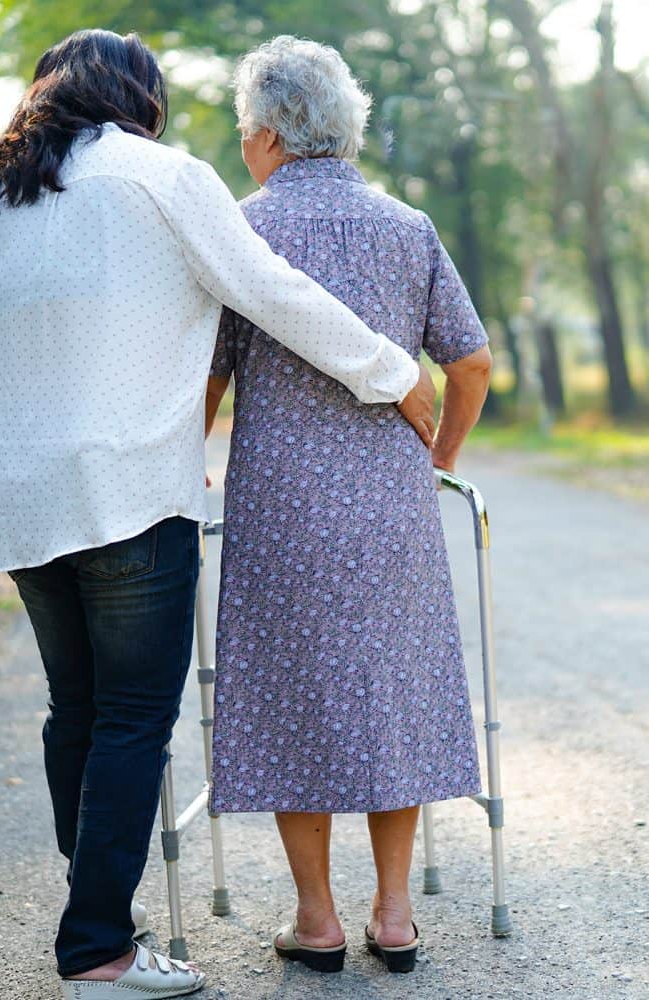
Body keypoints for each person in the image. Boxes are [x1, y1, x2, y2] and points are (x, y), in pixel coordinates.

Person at [0, 28, 437, 1000]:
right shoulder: (161, 174)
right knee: (134, 718)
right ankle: (98, 946)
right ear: (136, 96)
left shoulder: (7, 193)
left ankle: (98, 912)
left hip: (25, 485)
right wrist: (393, 372)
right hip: (131, 486)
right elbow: (269, 291)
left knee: (78, 710)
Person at [205, 35, 493, 976]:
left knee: (298, 696)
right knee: (390, 694)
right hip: (390, 506)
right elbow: (472, 361)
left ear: (270, 136)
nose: (244, 142)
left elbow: (204, 378)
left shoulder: (237, 230)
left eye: (246, 127)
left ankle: (317, 920)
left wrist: (187, 462)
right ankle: (397, 914)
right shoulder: (406, 227)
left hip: (280, 505)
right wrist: (440, 456)